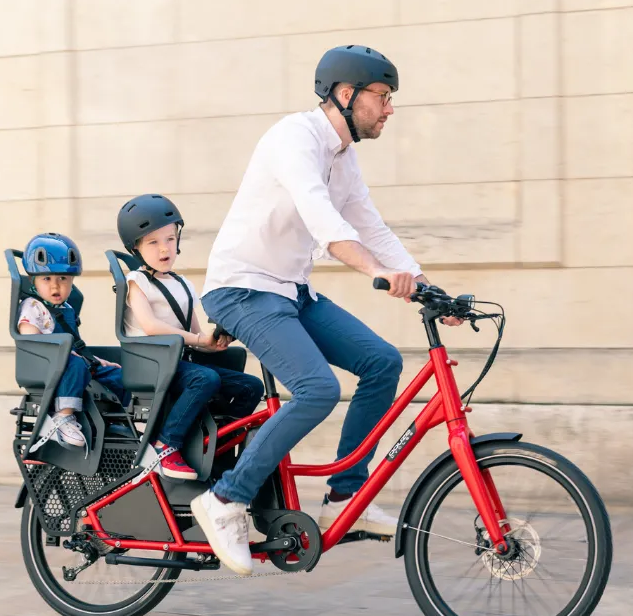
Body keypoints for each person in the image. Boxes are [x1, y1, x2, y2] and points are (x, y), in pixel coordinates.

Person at [193, 45, 462, 576]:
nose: (389, 109)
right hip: (242, 289)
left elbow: (370, 225)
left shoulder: (344, 155)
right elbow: (323, 219)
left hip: (290, 290)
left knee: (381, 363)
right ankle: (225, 500)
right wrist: (375, 275)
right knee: (317, 388)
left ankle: (344, 495)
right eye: (382, 98)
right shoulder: (294, 139)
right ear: (346, 95)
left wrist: (430, 288)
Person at [118, 194, 264, 480]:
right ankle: (165, 446)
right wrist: (198, 341)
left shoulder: (182, 283)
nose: (164, 249)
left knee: (251, 386)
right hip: (152, 364)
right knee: (205, 379)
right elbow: (149, 326)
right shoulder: (136, 281)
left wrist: (215, 340)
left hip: (180, 362)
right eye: (153, 242)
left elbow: (195, 334)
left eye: (170, 239)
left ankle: (217, 443)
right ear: (135, 247)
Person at [18, 233, 129, 451]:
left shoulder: (66, 309)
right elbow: (29, 336)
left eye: (63, 279)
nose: (55, 286)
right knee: (75, 363)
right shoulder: (32, 306)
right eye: (47, 279)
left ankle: (117, 421)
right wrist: (65, 353)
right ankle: (63, 418)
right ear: (33, 281)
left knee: (121, 376)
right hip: (48, 364)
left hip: (72, 361)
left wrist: (97, 360)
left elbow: (77, 345)